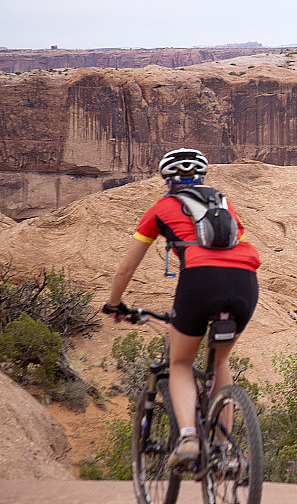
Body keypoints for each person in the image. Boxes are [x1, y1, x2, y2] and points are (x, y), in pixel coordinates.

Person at [102, 148, 260, 470]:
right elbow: (236, 244)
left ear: (167, 179)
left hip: (200, 281)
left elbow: (126, 268)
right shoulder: (223, 203)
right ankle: (225, 450)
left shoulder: (161, 208)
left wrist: (114, 304)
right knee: (221, 360)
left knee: (180, 362)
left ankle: (188, 437)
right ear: (201, 177)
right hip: (245, 282)